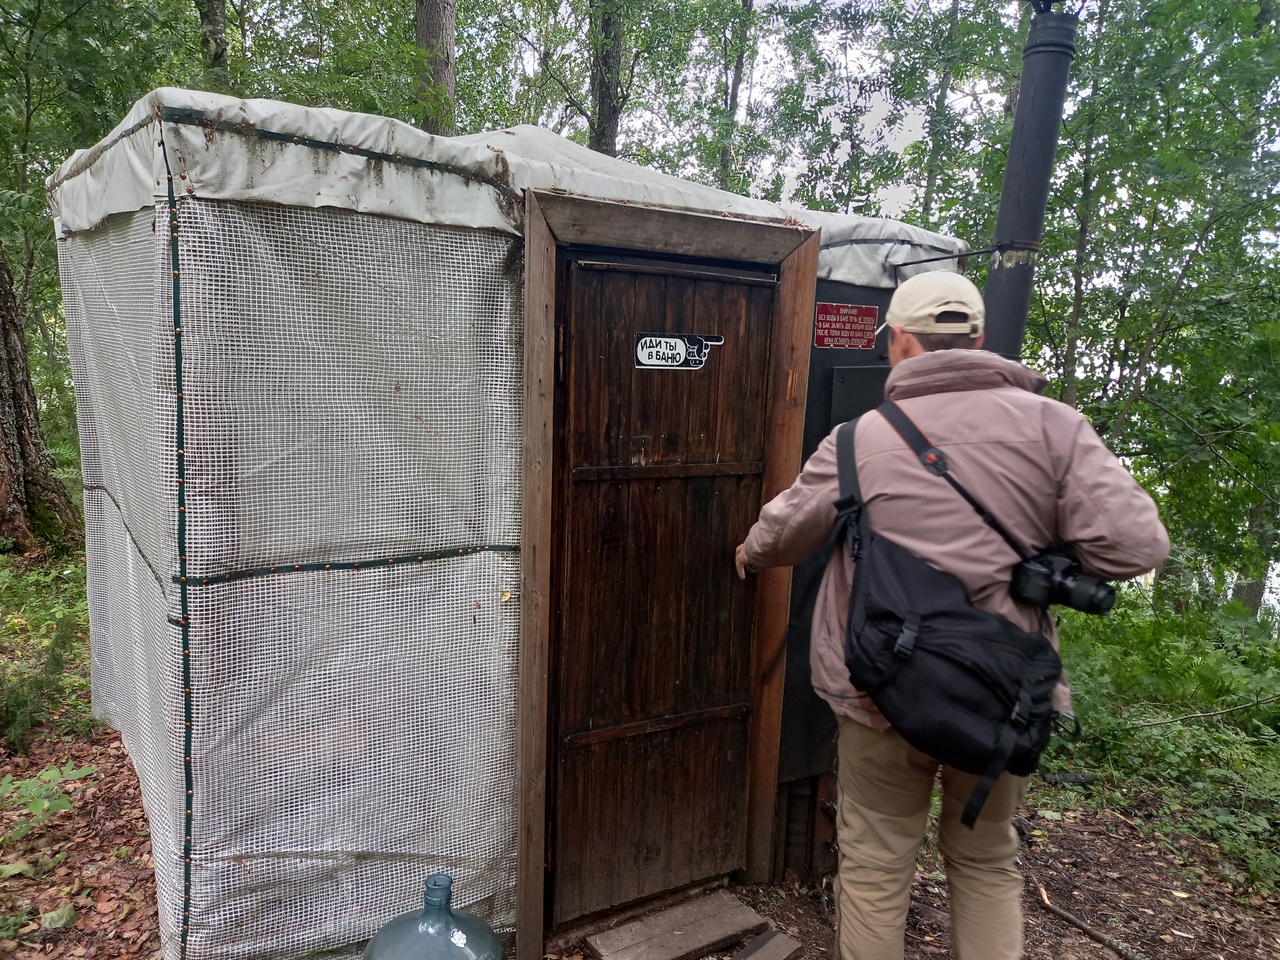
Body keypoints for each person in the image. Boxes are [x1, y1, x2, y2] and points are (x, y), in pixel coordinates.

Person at [734, 270, 1169, 960]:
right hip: (1004, 692)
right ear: (979, 339)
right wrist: (1046, 556)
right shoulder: (1056, 428)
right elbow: (1136, 547)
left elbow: (781, 536)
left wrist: (748, 556)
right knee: (987, 859)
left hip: (881, 690)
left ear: (900, 341)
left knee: (875, 866)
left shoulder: (858, 440)